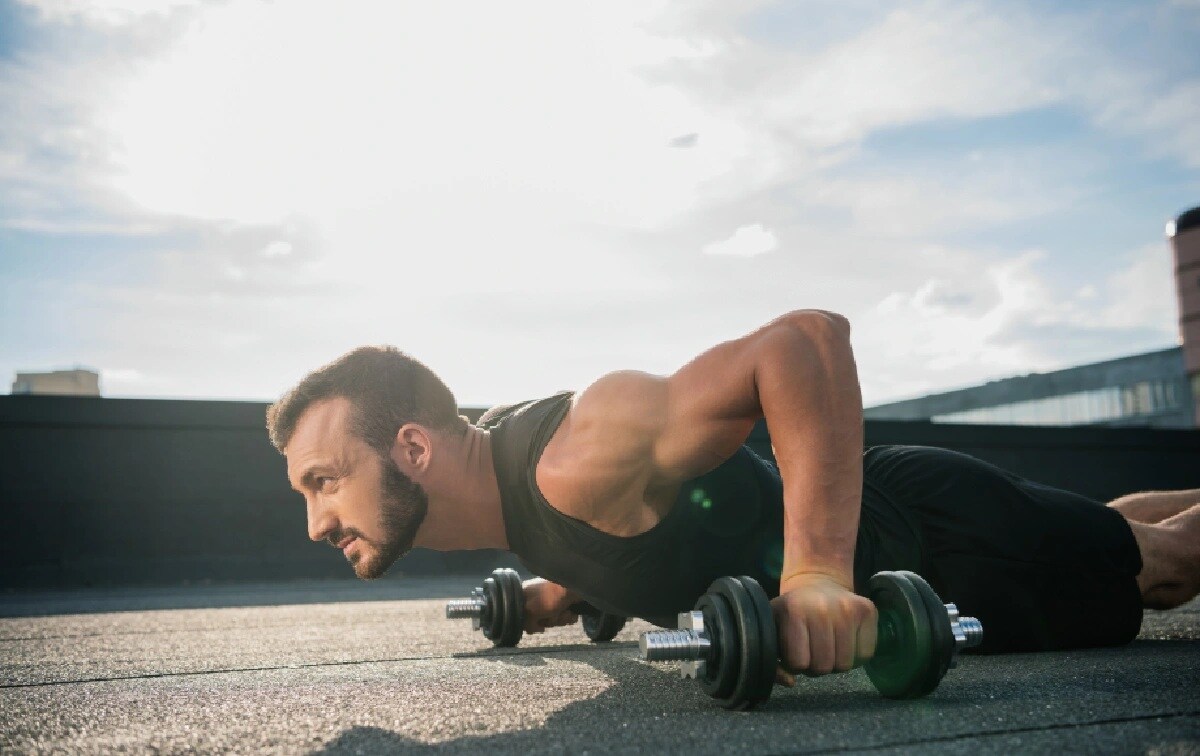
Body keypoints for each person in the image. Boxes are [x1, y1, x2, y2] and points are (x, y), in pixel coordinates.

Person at [265, 310, 1200, 685]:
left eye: (324, 482)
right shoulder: (511, 495)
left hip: (941, 540)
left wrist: (819, 577)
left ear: (414, 448)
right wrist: (562, 595)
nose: (317, 521)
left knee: (1166, 570)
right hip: (920, 504)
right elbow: (639, 537)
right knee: (1115, 527)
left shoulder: (576, 453)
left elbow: (802, 343)